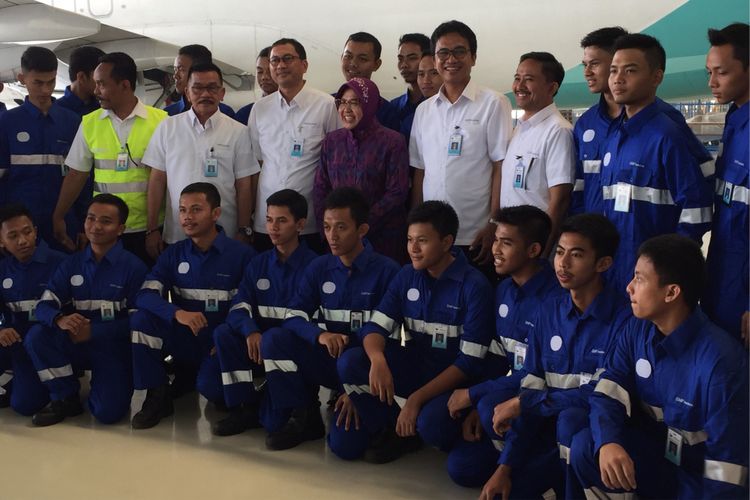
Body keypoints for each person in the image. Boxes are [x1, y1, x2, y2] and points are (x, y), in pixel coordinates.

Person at [570, 234, 749, 498]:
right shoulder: (636, 329)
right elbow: (607, 391)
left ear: (672, 292)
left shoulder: (722, 363)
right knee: (587, 445)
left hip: (696, 482)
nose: (629, 287)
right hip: (656, 461)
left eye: (640, 279)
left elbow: (728, 468)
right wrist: (608, 440)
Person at [483, 214, 631, 500]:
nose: (562, 264)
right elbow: (532, 384)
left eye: (576, 255)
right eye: (560, 252)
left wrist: (527, 403)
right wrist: (505, 467)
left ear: (603, 264)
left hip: (592, 433)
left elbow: (602, 395)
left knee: (570, 420)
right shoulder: (548, 311)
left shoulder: (624, 320)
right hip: (544, 426)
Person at [337, 200, 496, 464]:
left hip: (454, 381)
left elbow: (469, 363)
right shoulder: (406, 275)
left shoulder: (474, 286)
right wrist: (377, 360)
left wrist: (415, 400)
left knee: (431, 425)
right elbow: (375, 326)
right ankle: (394, 428)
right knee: (352, 362)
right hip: (415, 368)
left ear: (446, 242)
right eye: (410, 239)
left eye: (422, 240)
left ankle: (425, 424)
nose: (413, 248)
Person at [261, 187, 400, 452]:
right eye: (326, 227)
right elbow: (293, 315)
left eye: (341, 228)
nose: (332, 236)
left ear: (362, 230)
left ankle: (385, 421)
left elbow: (393, 338)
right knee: (275, 340)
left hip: (366, 369)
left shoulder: (388, 271)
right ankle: (304, 415)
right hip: (330, 361)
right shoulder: (320, 267)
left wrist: (355, 388)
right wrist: (320, 335)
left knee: (344, 448)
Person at [443, 205, 564, 487]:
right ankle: (509, 459)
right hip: (511, 394)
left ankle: (522, 466)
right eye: (496, 239)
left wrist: (474, 395)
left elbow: (541, 376)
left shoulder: (557, 300)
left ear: (534, 250)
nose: (495, 249)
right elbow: (499, 357)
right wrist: (475, 403)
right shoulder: (504, 290)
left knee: (487, 406)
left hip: (545, 402)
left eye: (506, 243)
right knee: (461, 468)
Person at [129, 182, 255, 429]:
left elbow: (249, 307)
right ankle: (158, 395)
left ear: (216, 213)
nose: (187, 217)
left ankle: (206, 380)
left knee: (212, 390)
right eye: (183, 210)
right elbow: (144, 295)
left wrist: (229, 342)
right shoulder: (173, 254)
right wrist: (178, 313)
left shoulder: (241, 255)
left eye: (196, 209)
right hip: (185, 338)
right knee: (141, 320)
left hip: (219, 343)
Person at [601, 34, 713, 294]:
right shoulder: (616, 135)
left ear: (656, 77)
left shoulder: (667, 136)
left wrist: (669, 264)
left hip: (654, 279)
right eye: (614, 71)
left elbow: (697, 208)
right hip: (615, 269)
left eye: (630, 71)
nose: (618, 79)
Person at [24, 194, 148, 426]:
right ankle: (64, 396)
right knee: (37, 336)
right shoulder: (71, 264)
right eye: (91, 218)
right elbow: (44, 305)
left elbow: (139, 322)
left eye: (105, 221)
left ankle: (108, 385)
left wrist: (95, 332)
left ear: (121, 229)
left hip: (112, 349)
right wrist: (59, 318)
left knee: (106, 414)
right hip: (75, 341)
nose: (96, 226)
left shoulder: (134, 268)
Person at [208, 189, 318, 436]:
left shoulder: (315, 266)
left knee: (273, 424)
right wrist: (250, 331)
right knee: (224, 333)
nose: (273, 227)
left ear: (300, 225)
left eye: (281, 220)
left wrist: (268, 338)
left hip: (292, 351)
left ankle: (300, 411)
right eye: (269, 220)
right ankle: (241, 406)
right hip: (258, 346)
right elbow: (238, 307)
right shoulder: (258, 263)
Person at [571, 27, 714, 216]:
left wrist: (672, 244)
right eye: (585, 65)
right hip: (599, 238)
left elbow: (697, 190)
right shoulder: (586, 123)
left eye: (595, 64)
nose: (587, 72)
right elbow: (579, 184)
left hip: (649, 240)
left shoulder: (666, 125)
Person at [410, 20, 512, 280]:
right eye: (443, 53)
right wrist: (416, 224)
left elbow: (501, 166)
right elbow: (420, 170)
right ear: (434, 59)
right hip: (431, 237)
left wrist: (494, 224)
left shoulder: (493, 103)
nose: (450, 59)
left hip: (475, 234)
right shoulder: (424, 110)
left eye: (459, 51)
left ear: (473, 57)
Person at [53, 52, 168, 265]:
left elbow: (159, 179)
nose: (95, 91)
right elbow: (77, 175)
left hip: (146, 229)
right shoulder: (90, 123)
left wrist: (152, 229)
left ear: (125, 85)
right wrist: (59, 216)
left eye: (101, 84)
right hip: (104, 230)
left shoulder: (161, 121)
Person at [142, 62, 259, 260]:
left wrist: (243, 229)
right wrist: (152, 229)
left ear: (222, 93)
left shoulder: (238, 132)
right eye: (197, 88)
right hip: (178, 234)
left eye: (212, 88)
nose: (205, 94)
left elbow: (244, 185)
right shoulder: (167, 128)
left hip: (225, 234)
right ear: (187, 93)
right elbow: (157, 181)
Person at [248, 38, 339, 254]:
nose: (280, 65)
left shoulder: (325, 105)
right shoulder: (259, 109)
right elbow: (255, 164)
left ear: (304, 65)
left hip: (308, 220)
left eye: (287, 58)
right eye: (274, 60)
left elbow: (336, 164)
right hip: (267, 221)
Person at [314, 77, 409, 263]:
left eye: (355, 102)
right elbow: (320, 188)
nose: (346, 109)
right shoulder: (332, 141)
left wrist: (359, 226)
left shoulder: (392, 142)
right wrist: (327, 227)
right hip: (338, 238)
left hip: (381, 239)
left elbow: (397, 192)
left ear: (370, 104)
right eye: (342, 102)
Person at [0, 46, 83, 251]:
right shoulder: (7, 122)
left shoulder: (73, 122)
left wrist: (83, 223)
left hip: (64, 222)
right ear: (22, 78)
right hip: (19, 228)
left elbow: (83, 179)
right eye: (38, 83)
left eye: (51, 82)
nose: (45, 90)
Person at [500, 51, 575, 256]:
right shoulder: (520, 129)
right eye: (517, 78)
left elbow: (559, 201)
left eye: (529, 79)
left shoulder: (558, 131)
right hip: (511, 244)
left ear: (552, 87)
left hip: (534, 247)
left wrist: (541, 251)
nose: (519, 86)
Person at [702, 22, 749, 344]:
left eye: (722, 73)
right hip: (724, 274)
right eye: (709, 72)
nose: (712, 83)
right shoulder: (735, 118)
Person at [0, 205, 67, 415]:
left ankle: (63, 388)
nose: (22, 240)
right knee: (23, 405)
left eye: (27, 232)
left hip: (50, 343)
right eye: (13, 235)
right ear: (1, 241)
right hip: (18, 346)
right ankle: (12, 375)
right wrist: (2, 328)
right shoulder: (2, 270)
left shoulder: (60, 263)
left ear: (36, 231)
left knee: (24, 404)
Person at [339, 32, 398, 131]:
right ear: (341, 57)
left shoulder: (386, 111)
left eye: (362, 59)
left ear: (377, 64)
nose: (353, 63)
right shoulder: (329, 103)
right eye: (348, 56)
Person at [165, 44, 235, 118]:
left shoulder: (225, 113)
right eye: (175, 70)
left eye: (181, 69)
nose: (175, 76)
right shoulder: (168, 114)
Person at [391, 33, 431, 140]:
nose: (404, 65)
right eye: (400, 59)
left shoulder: (438, 104)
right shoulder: (393, 107)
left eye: (412, 58)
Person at [56, 45, 105, 116]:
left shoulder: (105, 107)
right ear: (82, 77)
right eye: (100, 78)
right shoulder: (55, 111)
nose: (105, 83)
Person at [234, 47, 277, 125]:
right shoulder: (245, 114)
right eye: (260, 72)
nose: (264, 77)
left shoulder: (294, 110)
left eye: (270, 71)